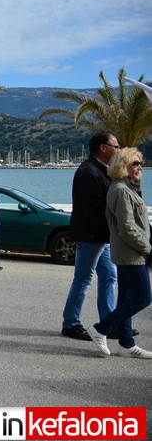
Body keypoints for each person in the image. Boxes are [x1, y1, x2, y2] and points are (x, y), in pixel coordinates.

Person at [86, 147, 151, 358]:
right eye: (135, 163)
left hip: (128, 252)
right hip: (131, 254)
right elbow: (127, 227)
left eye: (141, 163)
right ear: (124, 165)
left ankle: (126, 344)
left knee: (125, 298)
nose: (140, 167)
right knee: (143, 298)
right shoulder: (121, 190)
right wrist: (148, 249)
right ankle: (101, 328)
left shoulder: (126, 188)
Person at [61, 131, 120, 341]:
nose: (118, 150)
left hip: (101, 236)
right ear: (103, 148)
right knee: (83, 279)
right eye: (116, 146)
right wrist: (117, 229)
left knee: (109, 276)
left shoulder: (102, 171)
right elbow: (93, 210)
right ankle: (70, 324)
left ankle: (108, 323)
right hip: (91, 235)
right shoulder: (89, 172)